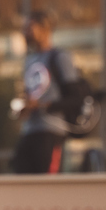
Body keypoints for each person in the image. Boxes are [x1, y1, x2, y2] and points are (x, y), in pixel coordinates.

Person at [11, 10, 80, 174]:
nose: (25, 32)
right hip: (30, 130)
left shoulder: (60, 57)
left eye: (30, 27)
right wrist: (25, 107)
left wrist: (42, 105)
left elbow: (75, 97)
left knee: (47, 187)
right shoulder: (29, 60)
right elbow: (31, 95)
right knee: (20, 180)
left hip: (51, 131)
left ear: (45, 29)